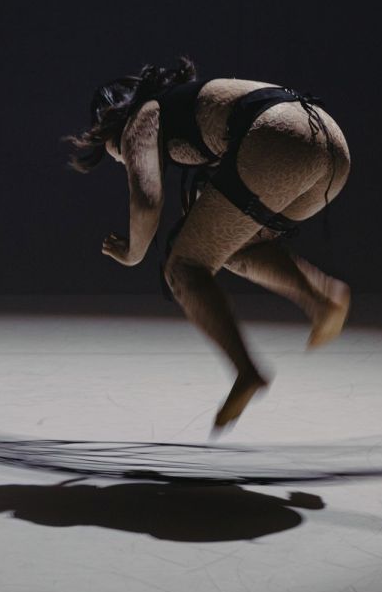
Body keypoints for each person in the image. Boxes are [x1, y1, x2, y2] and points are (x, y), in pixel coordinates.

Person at [66, 58, 351, 432]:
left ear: (111, 126)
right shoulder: (183, 106)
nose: (120, 161)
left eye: (113, 155)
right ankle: (321, 300)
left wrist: (133, 252)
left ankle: (247, 371)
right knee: (233, 246)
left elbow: (147, 200)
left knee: (184, 267)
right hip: (330, 148)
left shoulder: (141, 119)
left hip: (281, 138)